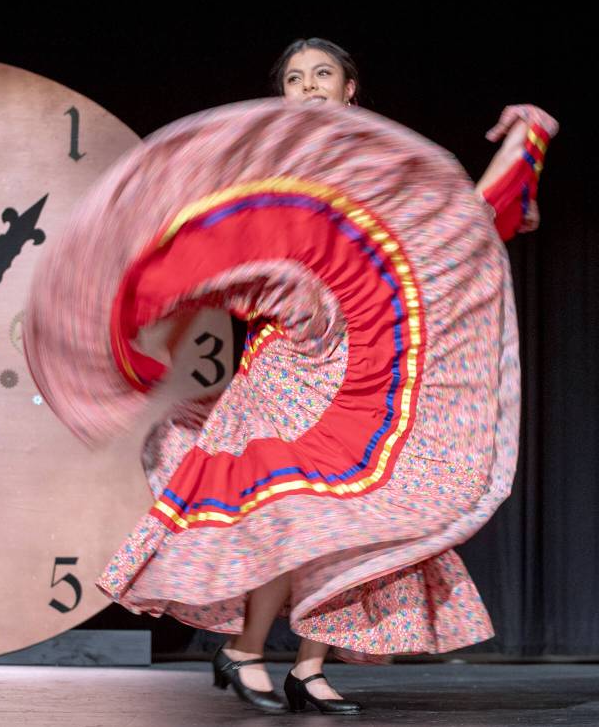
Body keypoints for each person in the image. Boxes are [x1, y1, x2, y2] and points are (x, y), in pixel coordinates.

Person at [206, 37, 557, 714]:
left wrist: (527, 144)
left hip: (356, 364)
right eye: (296, 78)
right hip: (286, 358)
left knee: (351, 513)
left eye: (323, 75)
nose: (308, 86)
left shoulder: (382, 164)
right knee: (297, 508)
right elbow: (237, 262)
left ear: (349, 89)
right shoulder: (263, 162)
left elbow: (453, 225)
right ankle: (245, 647)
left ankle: (307, 667)